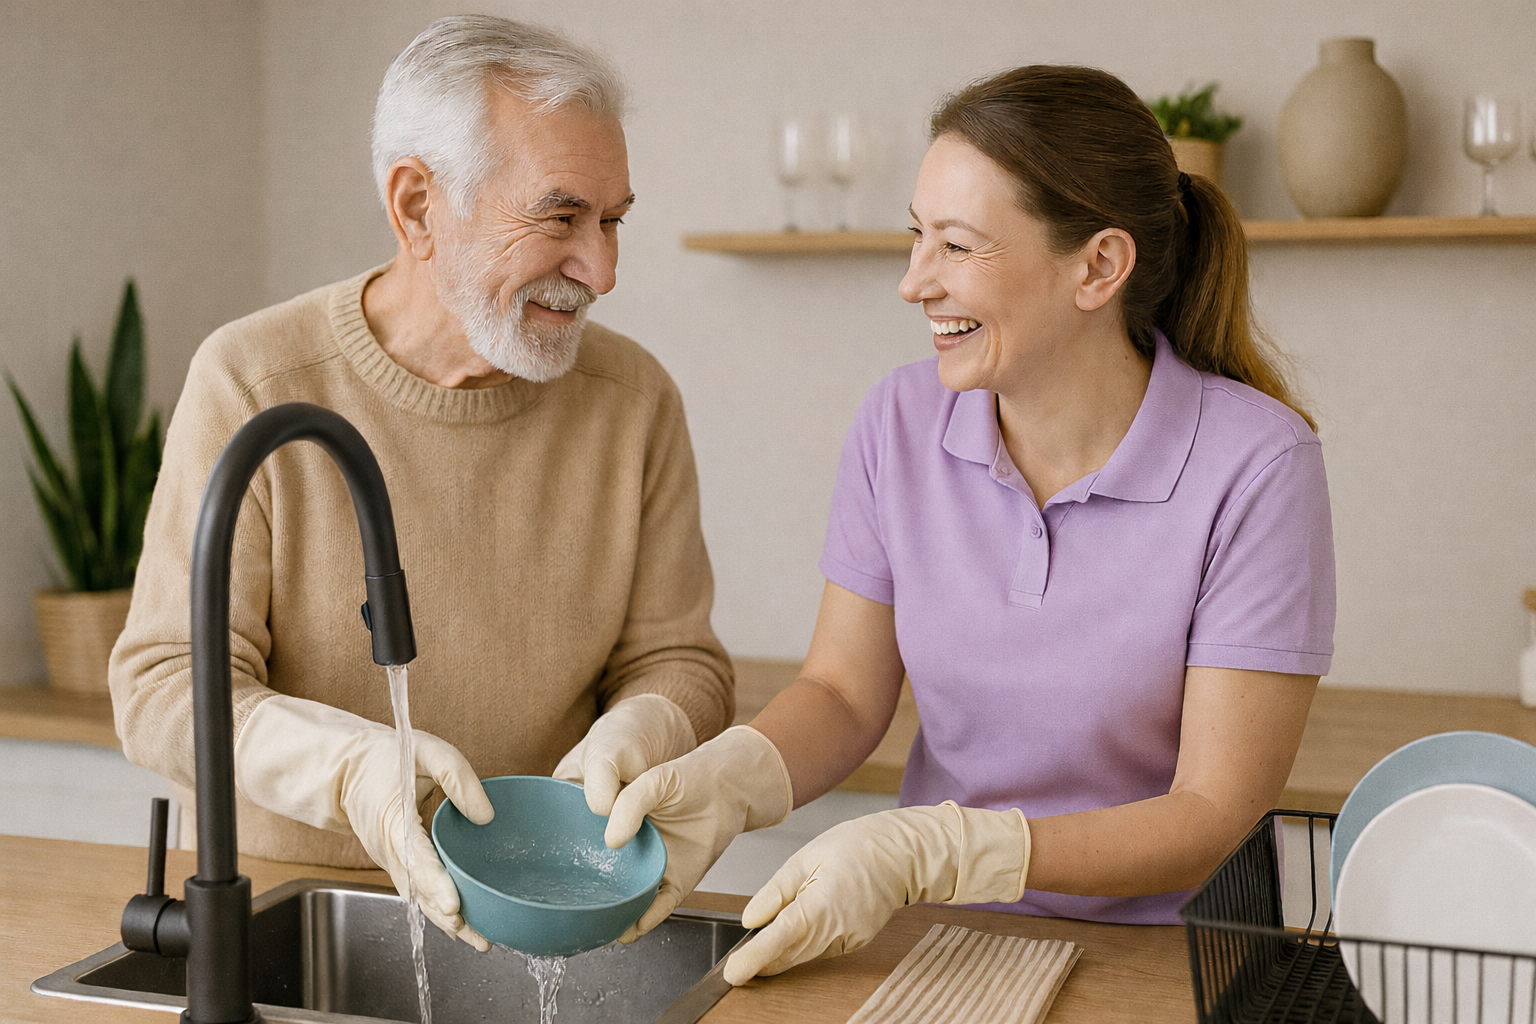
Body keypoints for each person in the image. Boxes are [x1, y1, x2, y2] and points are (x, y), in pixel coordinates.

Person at [601, 65, 1336, 983]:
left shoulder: (1257, 465)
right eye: (917, 237)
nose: (914, 283)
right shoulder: (897, 422)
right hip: (938, 939)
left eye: (956, 246)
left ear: (1099, 266)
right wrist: (732, 777)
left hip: (1166, 957)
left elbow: (1211, 813)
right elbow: (842, 692)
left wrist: (941, 851)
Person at [110, 16, 733, 952]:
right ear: (415, 207)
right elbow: (163, 686)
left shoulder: (633, 399)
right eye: (561, 216)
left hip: (544, 910)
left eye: (612, 220)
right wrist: (351, 771)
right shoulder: (254, 380)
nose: (602, 268)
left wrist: (642, 730)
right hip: (298, 902)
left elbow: (682, 662)